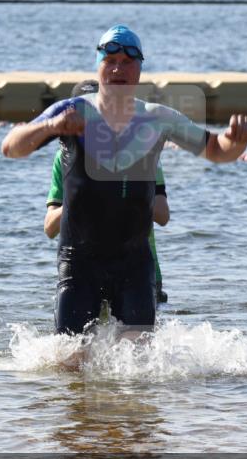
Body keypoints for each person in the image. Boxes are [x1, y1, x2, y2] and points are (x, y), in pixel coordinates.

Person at [2, 24, 247, 338]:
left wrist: (237, 140)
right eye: (110, 61)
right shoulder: (72, 110)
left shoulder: (158, 119)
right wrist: (51, 126)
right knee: (68, 364)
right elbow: (10, 147)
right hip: (79, 261)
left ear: (139, 70)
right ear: (98, 67)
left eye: (127, 61)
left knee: (139, 369)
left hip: (134, 262)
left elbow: (217, 150)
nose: (118, 68)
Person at [45, 79, 171, 304]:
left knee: (134, 339)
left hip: (136, 269)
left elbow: (162, 216)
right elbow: (49, 228)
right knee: (78, 340)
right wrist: (79, 197)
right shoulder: (63, 159)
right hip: (84, 267)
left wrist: (121, 193)